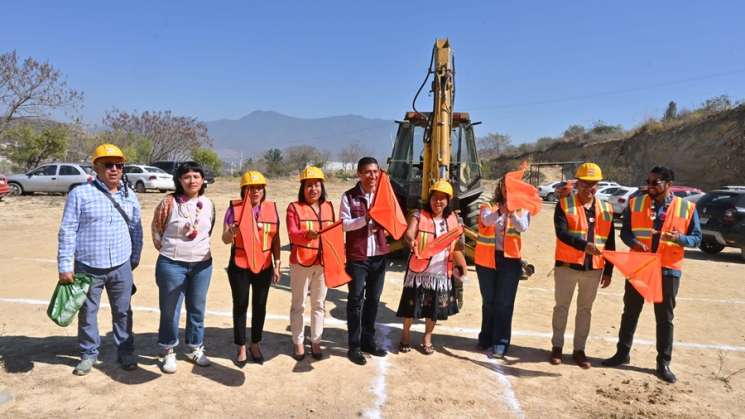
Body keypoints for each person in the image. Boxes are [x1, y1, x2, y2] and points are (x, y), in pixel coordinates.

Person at [602, 166, 701, 383]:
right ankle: (622, 353)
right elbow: (625, 232)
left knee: (665, 318)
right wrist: (634, 243)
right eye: (648, 181)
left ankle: (663, 362)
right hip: (640, 266)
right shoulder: (636, 203)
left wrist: (681, 239)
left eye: (655, 182)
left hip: (668, 269)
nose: (650, 186)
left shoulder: (686, 207)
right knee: (630, 312)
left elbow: (697, 239)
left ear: (668, 184)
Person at [57, 143, 143, 376]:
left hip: (121, 265)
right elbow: (67, 230)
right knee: (87, 312)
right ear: (96, 167)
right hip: (87, 265)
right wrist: (65, 266)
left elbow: (136, 229)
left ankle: (125, 351)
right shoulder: (79, 194)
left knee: (124, 311)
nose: (114, 169)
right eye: (108, 165)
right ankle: (88, 353)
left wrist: (133, 258)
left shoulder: (129, 195)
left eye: (119, 165)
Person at [151, 162, 215, 373]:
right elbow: (157, 230)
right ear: (179, 180)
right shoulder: (169, 202)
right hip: (172, 264)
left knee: (197, 308)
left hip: (202, 265)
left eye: (196, 176)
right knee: (170, 310)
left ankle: (194, 347)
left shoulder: (208, 203)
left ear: (202, 179)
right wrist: (172, 251)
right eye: (186, 176)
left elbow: (208, 231)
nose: (192, 180)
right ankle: (168, 349)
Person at [550, 162, 616, 369]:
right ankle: (557, 347)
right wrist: (583, 245)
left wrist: (609, 270)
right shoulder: (564, 205)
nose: (590, 188)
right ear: (577, 183)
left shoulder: (606, 208)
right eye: (586, 183)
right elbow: (561, 233)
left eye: (594, 184)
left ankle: (579, 350)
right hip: (566, 267)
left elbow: (610, 241)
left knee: (585, 310)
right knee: (561, 307)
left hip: (594, 269)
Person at [397, 180, 468, 355]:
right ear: (430, 199)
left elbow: (459, 246)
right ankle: (405, 334)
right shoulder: (419, 215)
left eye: (442, 199)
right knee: (411, 306)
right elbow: (408, 234)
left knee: (434, 308)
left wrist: (461, 262)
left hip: (441, 270)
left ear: (448, 201)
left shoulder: (454, 220)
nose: (438, 202)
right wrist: (411, 241)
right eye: (435, 198)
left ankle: (427, 337)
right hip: (419, 270)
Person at [222, 171, 280, 367]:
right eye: (250, 188)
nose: (255, 191)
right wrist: (232, 231)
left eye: (258, 187)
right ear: (243, 190)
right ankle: (240, 346)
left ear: (264, 189)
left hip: (264, 265)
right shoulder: (234, 209)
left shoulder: (271, 209)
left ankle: (255, 343)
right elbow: (224, 239)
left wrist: (277, 262)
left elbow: (276, 238)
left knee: (260, 306)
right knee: (240, 305)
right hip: (240, 265)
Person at [340, 157, 389, 366]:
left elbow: (392, 219)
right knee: (355, 301)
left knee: (373, 300)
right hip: (358, 256)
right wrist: (365, 219)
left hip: (379, 254)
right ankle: (354, 346)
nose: (372, 176)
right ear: (359, 174)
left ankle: (368, 340)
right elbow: (344, 225)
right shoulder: (349, 197)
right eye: (368, 172)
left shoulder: (383, 196)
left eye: (375, 172)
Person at [474, 177, 530, 359]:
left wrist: (512, 213)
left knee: (504, 304)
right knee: (489, 301)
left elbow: (523, 227)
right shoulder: (487, 205)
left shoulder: (523, 208)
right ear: (501, 188)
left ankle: (501, 342)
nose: (509, 191)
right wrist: (501, 211)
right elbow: (486, 222)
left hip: (510, 261)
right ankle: (486, 337)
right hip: (486, 260)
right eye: (506, 188)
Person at [286, 166, 335, 360]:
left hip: (323, 263)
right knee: (298, 304)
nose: (313, 189)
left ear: (322, 187)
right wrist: (307, 234)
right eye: (308, 185)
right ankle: (298, 342)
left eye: (316, 185)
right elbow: (292, 233)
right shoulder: (294, 207)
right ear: (302, 188)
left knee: (319, 304)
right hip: (301, 262)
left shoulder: (329, 207)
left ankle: (316, 341)